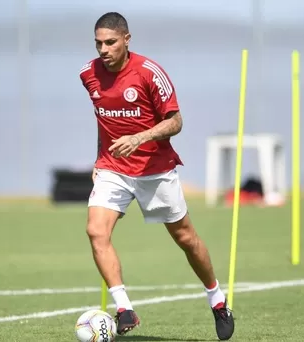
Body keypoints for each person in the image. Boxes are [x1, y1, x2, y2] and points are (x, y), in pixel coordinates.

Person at [78, 12, 234, 340]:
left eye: (110, 42)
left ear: (127, 40)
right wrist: (98, 158)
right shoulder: (88, 74)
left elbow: (176, 122)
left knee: (186, 238)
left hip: (154, 169)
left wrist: (139, 138)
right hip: (112, 168)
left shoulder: (149, 73)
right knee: (96, 231)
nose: (103, 49)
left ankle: (217, 300)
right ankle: (124, 309)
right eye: (98, 43)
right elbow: (103, 121)